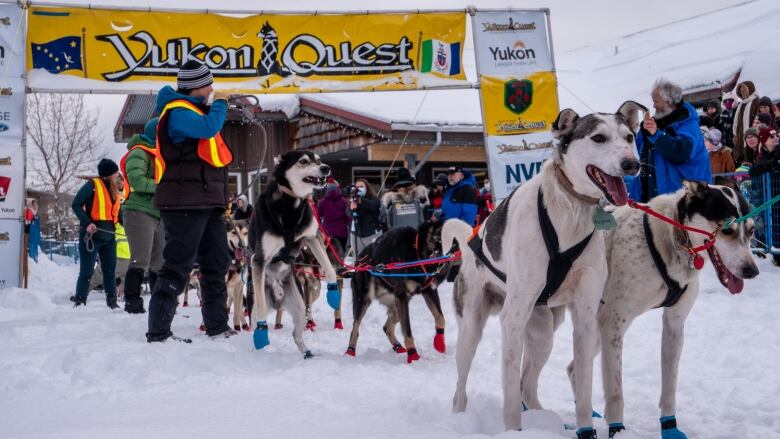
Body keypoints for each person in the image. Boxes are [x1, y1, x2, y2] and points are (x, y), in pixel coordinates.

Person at [146, 60, 235, 342]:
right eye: (209, 84)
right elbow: (208, 128)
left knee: (216, 264)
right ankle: (158, 332)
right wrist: (220, 103)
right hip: (184, 203)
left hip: (207, 202)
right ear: (197, 86)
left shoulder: (193, 111)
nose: (212, 89)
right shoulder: (177, 113)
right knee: (177, 267)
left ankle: (217, 327)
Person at [628, 79, 712, 202]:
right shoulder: (655, 123)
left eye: (656, 101)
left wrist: (657, 135)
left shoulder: (687, 123)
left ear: (669, 101)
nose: (653, 106)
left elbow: (681, 153)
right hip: (649, 201)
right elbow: (636, 152)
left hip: (681, 202)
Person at [70, 159, 122, 309]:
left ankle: (112, 303)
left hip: (109, 237)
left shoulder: (115, 190)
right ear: (107, 174)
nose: (117, 175)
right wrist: (87, 223)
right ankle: (80, 302)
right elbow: (76, 204)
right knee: (86, 271)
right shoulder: (92, 186)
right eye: (115, 173)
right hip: (91, 236)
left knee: (110, 271)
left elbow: (118, 214)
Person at [90, 222, 131, 297]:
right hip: (127, 256)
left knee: (99, 274)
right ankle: (122, 294)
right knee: (127, 279)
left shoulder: (116, 223)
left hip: (119, 255)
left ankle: (82, 292)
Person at [347, 178, 381, 256]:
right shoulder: (353, 199)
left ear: (366, 188)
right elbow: (349, 213)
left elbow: (373, 206)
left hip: (371, 233)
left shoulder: (374, 199)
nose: (359, 189)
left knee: (373, 255)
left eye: (361, 186)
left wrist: (361, 200)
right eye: (357, 187)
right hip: (356, 233)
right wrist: (352, 208)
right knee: (359, 256)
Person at [317, 179, 350, 251]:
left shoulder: (322, 202)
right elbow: (348, 217)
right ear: (338, 188)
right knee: (341, 252)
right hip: (342, 232)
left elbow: (318, 216)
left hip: (327, 231)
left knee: (328, 253)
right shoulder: (344, 201)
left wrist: (320, 228)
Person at [732, 81, 759, 164]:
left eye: (744, 90)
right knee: (741, 159)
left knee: (751, 157)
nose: (742, 92)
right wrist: (736, 135)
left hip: (751, 135)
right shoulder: (741, 104)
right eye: (740, 91)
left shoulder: (756, 101)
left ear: (750, 89)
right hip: (740, 136)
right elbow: (737, 122)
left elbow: (757, 117)